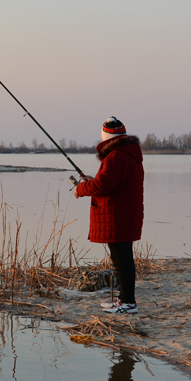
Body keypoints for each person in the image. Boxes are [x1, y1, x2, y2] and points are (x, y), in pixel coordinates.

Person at [75, 117, 145, 314]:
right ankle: (124, 300)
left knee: (122, 260)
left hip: (117, 215)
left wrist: (81, 188)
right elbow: (110, 182)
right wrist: (94, 180)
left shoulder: (115, 156)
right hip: (125, 213)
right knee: (123, 259)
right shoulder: (128, 154)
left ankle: (128, 303)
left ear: (105, 137)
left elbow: (102, 186)